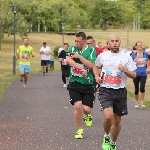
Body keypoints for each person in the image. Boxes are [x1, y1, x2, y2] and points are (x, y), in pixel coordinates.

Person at [93, 33, 136, 150]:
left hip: (120, 91)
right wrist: (97, 76)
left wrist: (124, 70)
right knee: (108, 116)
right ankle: (106, 136)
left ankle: (113, 142)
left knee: (117, 121)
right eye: (112, 41)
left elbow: (134, 75)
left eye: (117, 41)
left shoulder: (126, 57)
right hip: (105, 90)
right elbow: (96, 66)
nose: (115, 43)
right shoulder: (103, 55)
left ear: (120, 42)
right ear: (108, 43)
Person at [66, 32, 96, 139]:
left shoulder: (91, 50)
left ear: (84, 41)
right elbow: (68, 60)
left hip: (88, 83)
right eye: (75, 41)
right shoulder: (72, 49)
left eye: (78, 41)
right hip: (74, 82)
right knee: (78, 106)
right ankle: (79, 130)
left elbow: (92, 65)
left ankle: (87, 115)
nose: (76, 43)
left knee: (86, 109)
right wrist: (80, 67)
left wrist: (79, 57)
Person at [130, 41, 149, 108]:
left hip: (143, 73)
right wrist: (133, 62)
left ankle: (142, 102)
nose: (140, 46)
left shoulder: (146, 54)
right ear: (136, 47)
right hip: (135, 74)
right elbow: (129, 63)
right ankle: (136, 102)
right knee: (136, 89)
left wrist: (148, 67)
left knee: (142, 88)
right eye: (138, 45)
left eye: (141, 45)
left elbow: (149, 61)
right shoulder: (133, 55)